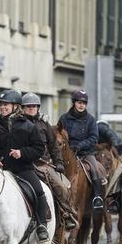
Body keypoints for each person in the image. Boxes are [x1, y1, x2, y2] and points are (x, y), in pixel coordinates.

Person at [0, 90, 48, 241]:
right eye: (1, 105)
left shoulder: (29, 126)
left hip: (22, 169)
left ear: (16, 106)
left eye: (6, 105)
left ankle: (41, 225)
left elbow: (39, 148)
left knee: (38, 191)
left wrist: (22, 153)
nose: (2, 107)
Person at [22, 92, 78, 231]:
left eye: (34, 106)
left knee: (61, 187)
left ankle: (67, 213)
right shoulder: (18, 124)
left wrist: (58, 162)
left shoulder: (44, 124)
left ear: (38, 107)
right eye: (28, 106)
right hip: (24, 164)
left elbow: (53, 146)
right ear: (23, 108)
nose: (31, 108)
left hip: (44, 164)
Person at [58, 90, 106, 211]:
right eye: (79, 102)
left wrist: (80, 145)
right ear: (74, 103)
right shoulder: (64, 119)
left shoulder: (91, 120)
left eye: (84, 103)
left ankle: (97, 198)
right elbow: (60, 135)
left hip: (86, 153)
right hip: (67, 153)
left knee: (96, 170)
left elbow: (94, 138)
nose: (81, 105)